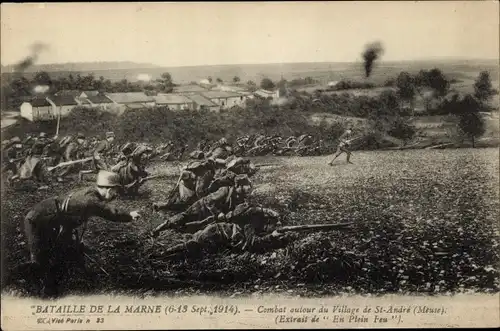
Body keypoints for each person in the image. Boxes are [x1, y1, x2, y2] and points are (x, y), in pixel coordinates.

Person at [23, 170, 141, 296]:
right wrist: (129, 215)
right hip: (37, 221)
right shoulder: (91, 200)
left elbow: (70, 218)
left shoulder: (91, 192)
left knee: (66, 251)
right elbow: (110, 213)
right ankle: (27, 287)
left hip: (49, 219)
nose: (115, 195)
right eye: (115, 191)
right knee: (41, 261)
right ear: (109, 189)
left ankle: (60, 283)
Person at [152, 174, 252, 235]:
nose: (249, 188)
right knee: (184, 217)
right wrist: (219, 213)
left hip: (209, 215)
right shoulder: (225, 190)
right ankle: (159, 228)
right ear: (240, 185)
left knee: (191, 228)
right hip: (201, 207)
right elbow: (209, 201)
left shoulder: (239, 197)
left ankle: (178, 230)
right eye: (247, 185)